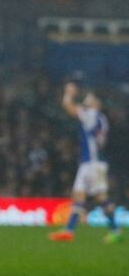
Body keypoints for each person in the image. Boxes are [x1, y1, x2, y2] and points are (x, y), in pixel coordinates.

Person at [49, 82, 121, 243]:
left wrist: (69, 92)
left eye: (90, 98)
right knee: (79, 195)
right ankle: (69, 231)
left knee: (101, 197)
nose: (86, 99)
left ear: (96, 103)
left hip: (92, 163)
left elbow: (68, 107)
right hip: (91, 163)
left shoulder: (92, 114)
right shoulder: (101, 119)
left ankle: (115, 229)